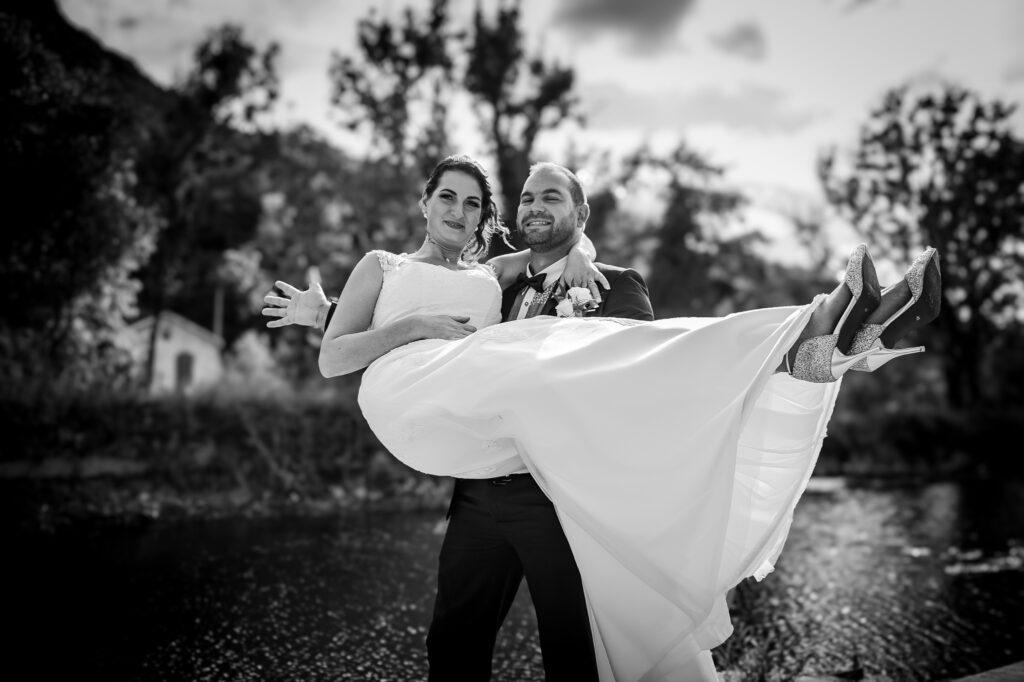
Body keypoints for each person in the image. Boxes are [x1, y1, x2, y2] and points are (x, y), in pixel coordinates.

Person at [263, 155, 942, 681]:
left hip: (557, 495)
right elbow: (394, 323)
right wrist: (329, 314)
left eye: (479, 202)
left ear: (579, 214)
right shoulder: (492, 276)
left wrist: (583, 260)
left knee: (573, 650)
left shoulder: (581, 280)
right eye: (451, 196)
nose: (473, 209)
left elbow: (639, 375)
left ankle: (811, 339)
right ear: (425, 203)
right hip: (477, 486)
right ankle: (805, 343)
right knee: (455, 642)